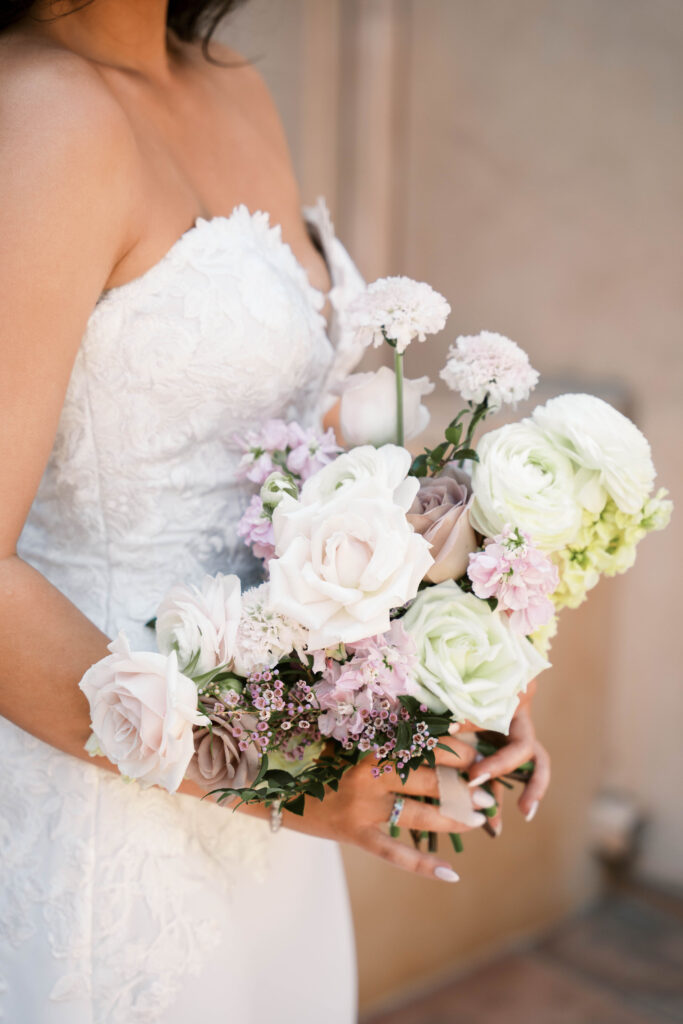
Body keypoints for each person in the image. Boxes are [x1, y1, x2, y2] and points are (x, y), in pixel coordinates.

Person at [0, 1, 551, 1020]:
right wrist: (279, 775)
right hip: (117, 811)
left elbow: (290, 433)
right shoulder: (40, 112)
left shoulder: (230, 80)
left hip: (278, 823)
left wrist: (451, 637)